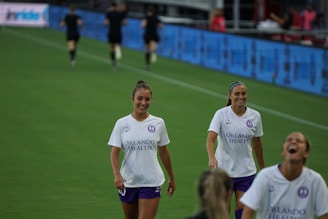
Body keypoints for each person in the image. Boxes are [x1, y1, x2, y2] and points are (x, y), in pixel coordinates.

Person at [108, 80, 176, 219]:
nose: (143, 103)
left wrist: (171, 177)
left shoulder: (158, 123)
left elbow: (163, 151)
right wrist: (116, 175)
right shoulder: (122, 123)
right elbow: (114, 152)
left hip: (151, 181)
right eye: (139, 98)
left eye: (147, 99)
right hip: (128, 181)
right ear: (132, 99)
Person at [206, 81, 265, 219]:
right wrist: (211, 157)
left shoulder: (255, 116)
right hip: (223, 171)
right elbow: (210, 139)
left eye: (243, 93)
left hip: (246, 171)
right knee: (223, 208)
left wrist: (263, 168)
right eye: (237, 94)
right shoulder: (221, 114)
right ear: (230, 96)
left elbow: (257, 144)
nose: (241, 97)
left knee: (242, 208)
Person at [241, 131, 328, 219]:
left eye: (299, 141)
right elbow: (248, 211)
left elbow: (323, 215)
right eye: (289, 140)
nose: (293, 142)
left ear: (306, 153)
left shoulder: (315, 181)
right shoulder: (266, 176)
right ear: (283, 151)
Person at [104, 2, 126, 68]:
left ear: (111, 6)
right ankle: (118, 49)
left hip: (111, 32)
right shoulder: (120, 14)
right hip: (118, 32)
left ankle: (113, 62)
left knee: (111, 47)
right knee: (118, 44)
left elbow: (106, 23)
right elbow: (124, 23)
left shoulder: (109, 14)